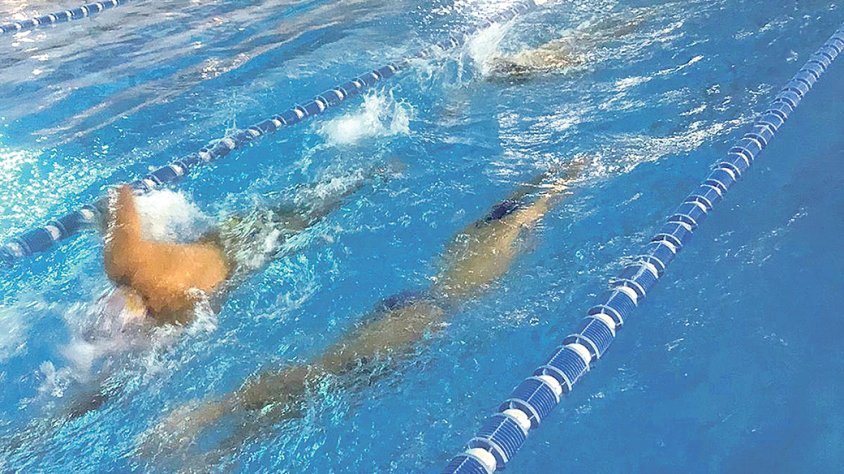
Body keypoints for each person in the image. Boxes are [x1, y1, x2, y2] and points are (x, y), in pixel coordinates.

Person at [139, 158, 589, 465]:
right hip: (422, 316)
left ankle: (222, 450)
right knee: (321, 375)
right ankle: (203, 414)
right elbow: (529, 210)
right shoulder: (511, 230)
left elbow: (515, 203)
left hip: (414, 304)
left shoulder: (478, 229)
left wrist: (549, 176)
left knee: (327, 384)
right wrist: (568, 180)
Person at [487, 8, 651, 79]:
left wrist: (578, 65)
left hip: (556, 52)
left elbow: (566, 64)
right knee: (593, 35)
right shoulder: (524, 61)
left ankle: (639, 20)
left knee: (599, 36)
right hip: (553, 50)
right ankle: (638, 19)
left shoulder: (528, 65)